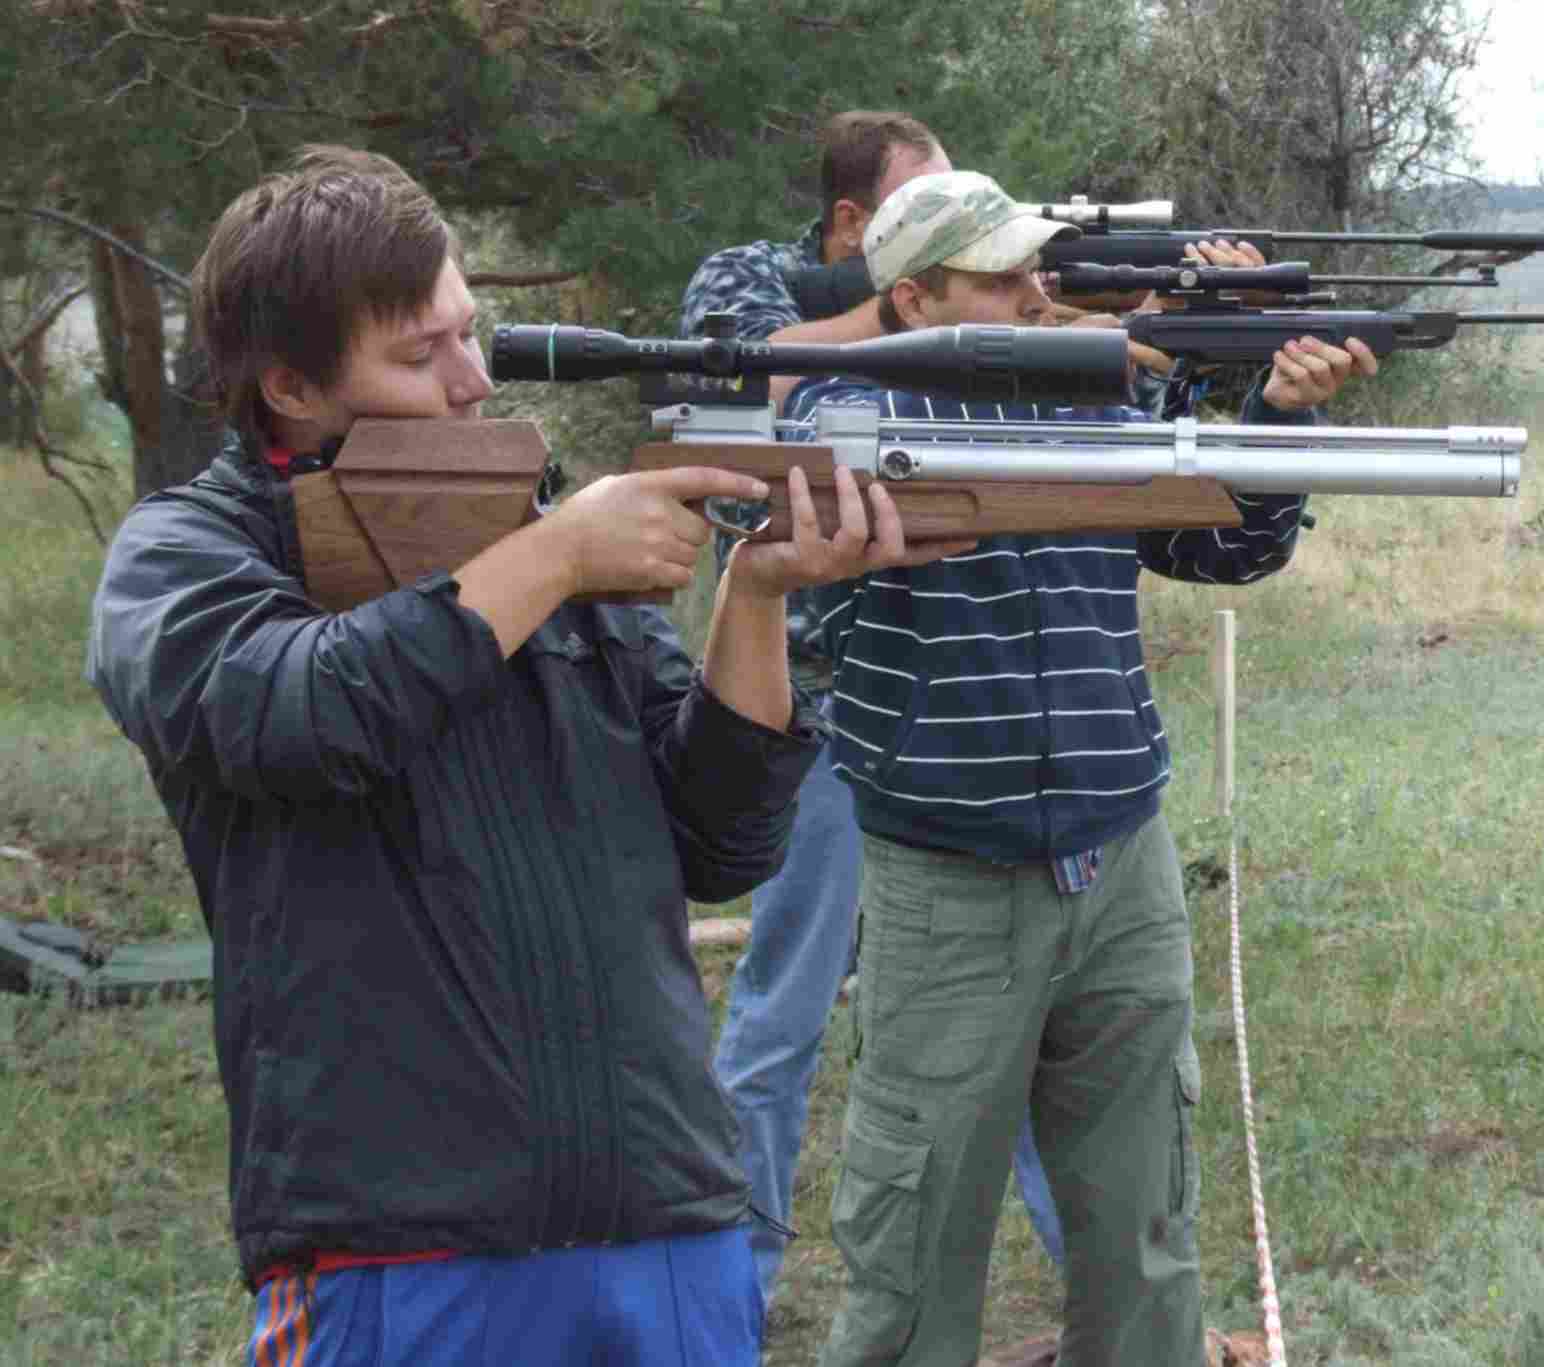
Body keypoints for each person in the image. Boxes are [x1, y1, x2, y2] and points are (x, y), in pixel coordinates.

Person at [83, 145, 963, 1367]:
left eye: (468, 332)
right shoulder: (189, 552)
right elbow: (295, 711)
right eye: (418, 354)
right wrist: (551, 558)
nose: (473, 379)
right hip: (398, 1246)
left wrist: (753, 597)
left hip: (667, 1214)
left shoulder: (528, 531)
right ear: (289, 384)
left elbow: (717, 841)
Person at [785, 170, 1379, 1367]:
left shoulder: (1091, 402)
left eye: (1037, 269)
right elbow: (842, 466)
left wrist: (1264, 409)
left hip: (1122, 864)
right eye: (1000, 279)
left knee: (1144, 1236)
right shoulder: (843, 413)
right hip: (947, 883)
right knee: (912, 1253)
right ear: (912, 302)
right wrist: (1121, 355)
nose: (1037, 291)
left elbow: (1222, 546)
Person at [677, 111, 1071, 1306]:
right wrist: (925, 315)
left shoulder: (963, 311)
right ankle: (730, 1295)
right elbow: (747, 371)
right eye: (919, 222)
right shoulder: (749, 280)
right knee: (781, 1013)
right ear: (856, 229)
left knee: (1015, 1028)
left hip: (953, 711)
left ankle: (1107, 1299)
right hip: (819, 719)